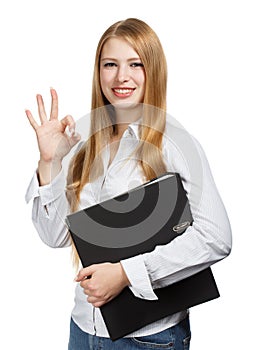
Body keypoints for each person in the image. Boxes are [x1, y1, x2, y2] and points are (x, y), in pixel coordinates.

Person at [25, 18, 232, 350]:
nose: (122, 76)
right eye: (111, 64)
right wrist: (50, 162)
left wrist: (125, 274)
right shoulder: (85, 143)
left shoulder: (174, 142)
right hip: (83, 330)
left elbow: (217, 237)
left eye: (135, 64)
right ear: (99, 72)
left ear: (153, 70)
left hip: (148, 338)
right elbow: (56, 236)